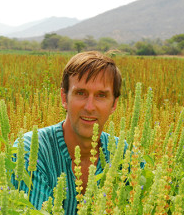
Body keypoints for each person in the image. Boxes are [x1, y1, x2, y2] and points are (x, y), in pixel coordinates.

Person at [11, 51, 122, 214]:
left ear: (114, 104)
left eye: (101, 95)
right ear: (64, 98)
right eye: (81, 93)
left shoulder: (123, 154)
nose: (89, 107)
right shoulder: (32, 150)